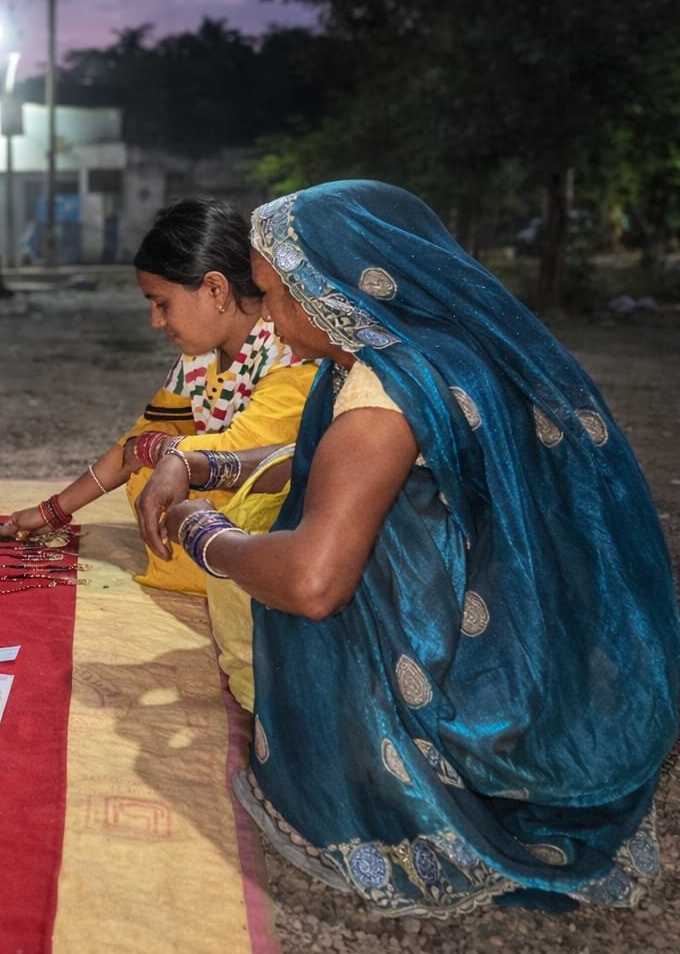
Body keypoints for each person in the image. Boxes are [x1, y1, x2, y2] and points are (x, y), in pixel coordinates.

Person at [138, 180, 680, 914]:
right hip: (525, 645)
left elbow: (313, 581)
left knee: (275, 566)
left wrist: (205, 533)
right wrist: (202, 461)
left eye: (275, 296)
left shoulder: (383, 388)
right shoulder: (442, 353)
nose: (268, 317)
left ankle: (403, 790)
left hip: (453, 674)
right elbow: (322, 466)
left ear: (333, 290)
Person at [0, 198, 316, 597]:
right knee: (154, 472)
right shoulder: (199, 359)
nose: (156, 322)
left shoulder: (289, 349)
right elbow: (136, 440)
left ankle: (233, 574)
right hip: (217, 504)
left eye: (162, 303)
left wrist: (161, 451)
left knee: (161, 473)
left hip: (274, 522)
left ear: (216, 288)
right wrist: (54, 512)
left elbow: (243, 453)